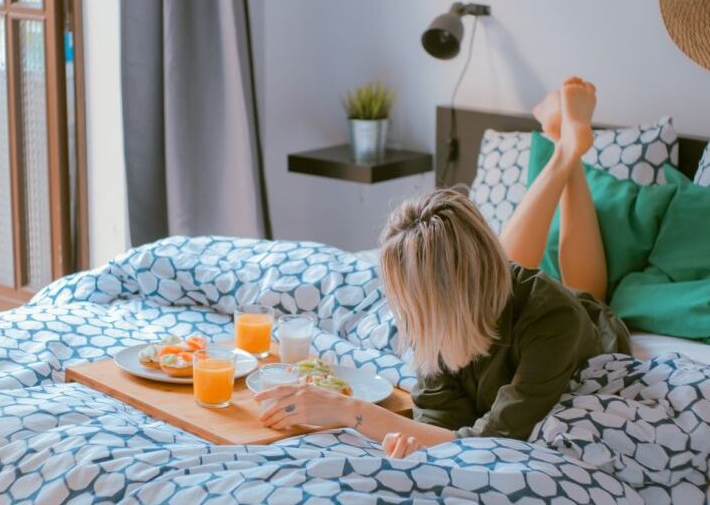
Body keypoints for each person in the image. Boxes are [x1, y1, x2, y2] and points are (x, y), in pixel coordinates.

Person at [254, 76, 630, 459]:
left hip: (580, 319)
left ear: (443, 295)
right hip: (488, 292)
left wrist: (353, 412)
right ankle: (565, 147)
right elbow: (440, 419)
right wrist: (417, 440)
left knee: (585, 290)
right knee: (506, 264)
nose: (402, 313)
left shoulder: (554, 321)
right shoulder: (435, 319)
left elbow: (496, 440)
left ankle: (569, 151)